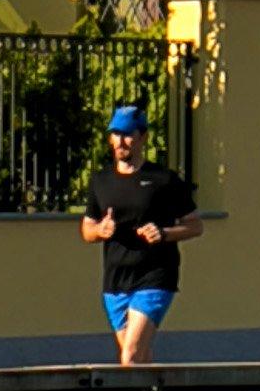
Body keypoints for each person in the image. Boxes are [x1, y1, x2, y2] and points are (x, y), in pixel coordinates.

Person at [77, 101, 207, 373]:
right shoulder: (100, 181)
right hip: (115, 282)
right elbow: (86, 229)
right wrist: (100, 231)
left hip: (155, 277)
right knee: (140, 359)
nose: (120, 141)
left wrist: (164, 233)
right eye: (115, 134)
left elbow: (195, 226)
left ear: (142, 137)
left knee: (131, 356)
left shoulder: (163, 180)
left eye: (127, 134)